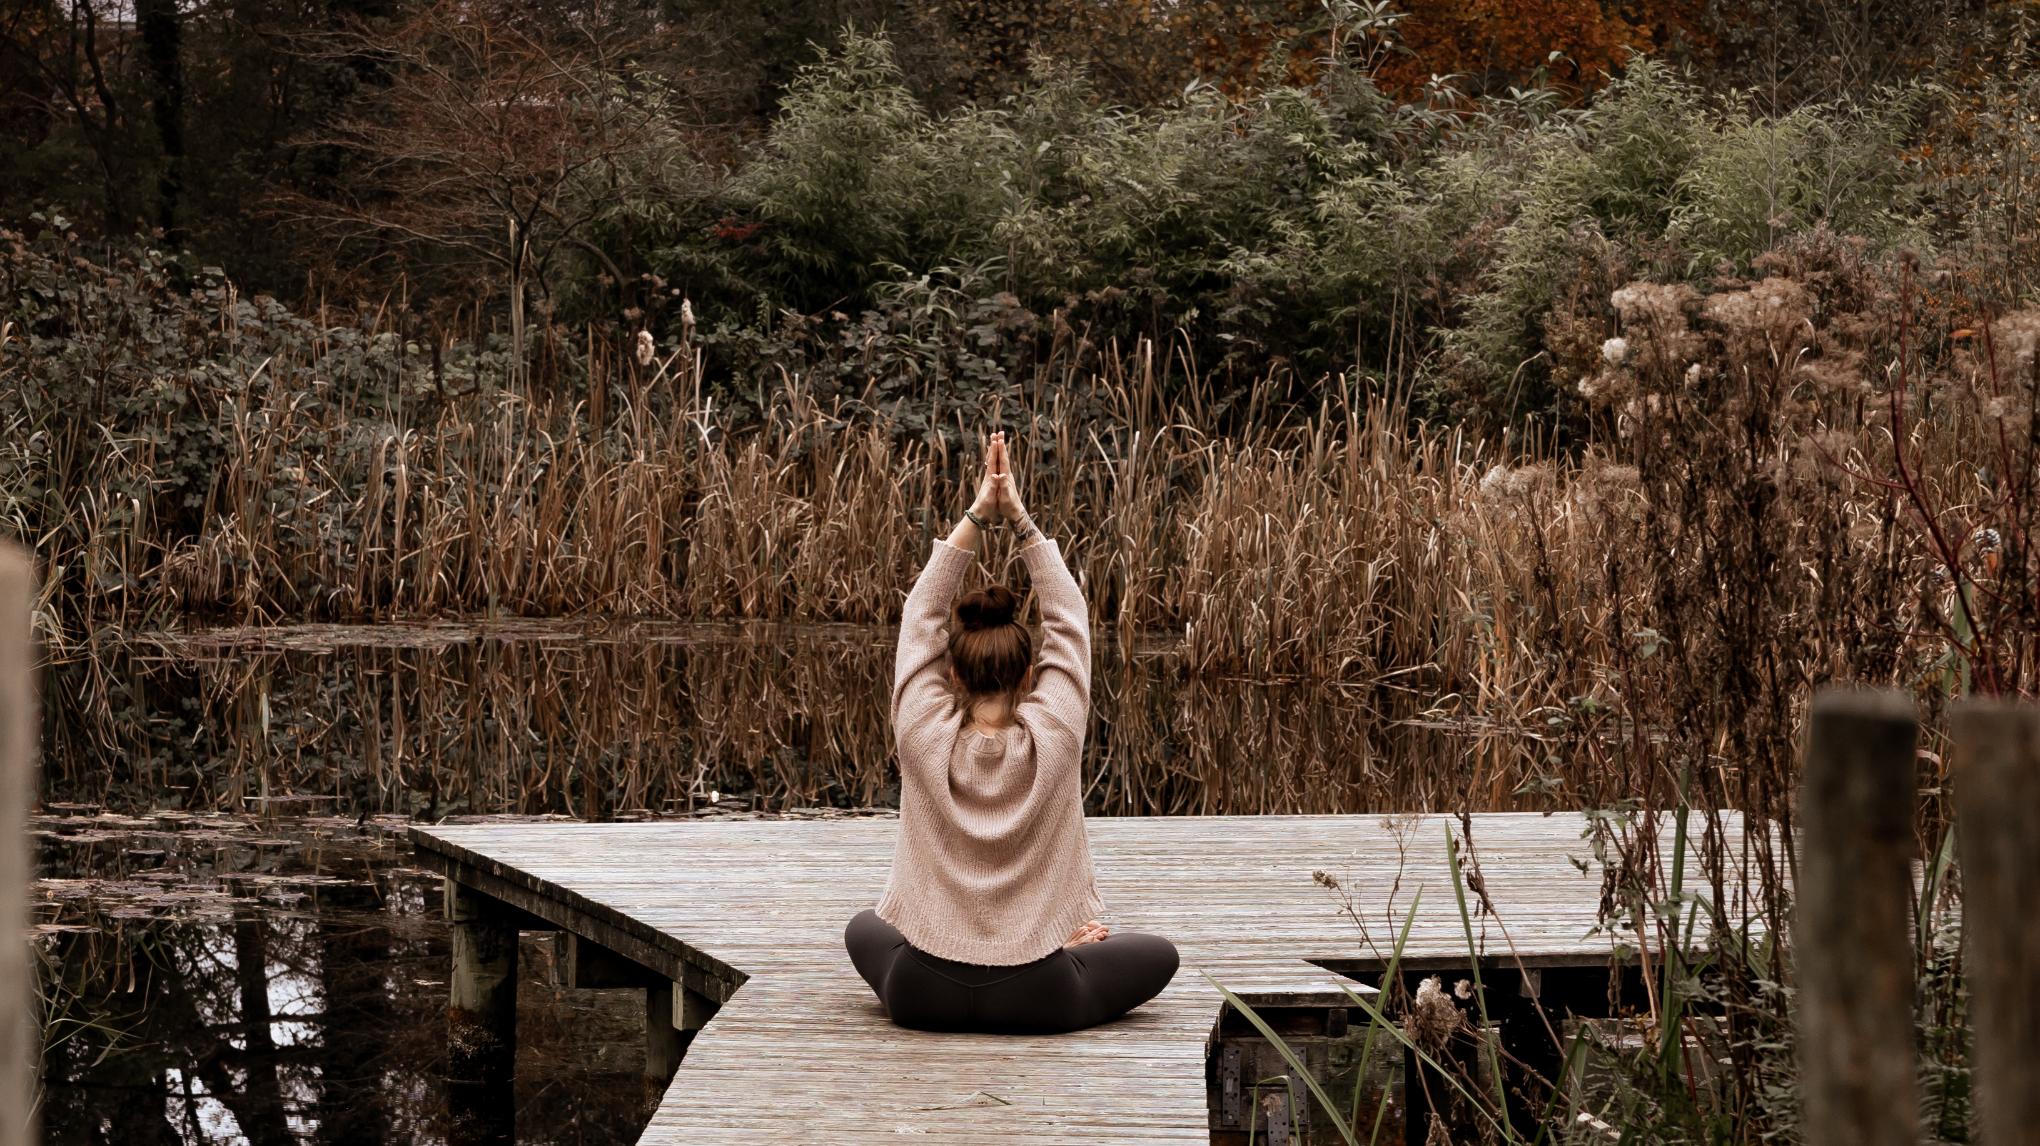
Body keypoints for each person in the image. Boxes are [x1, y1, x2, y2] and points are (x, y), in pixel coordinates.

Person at [844, 430, 1179, 1033]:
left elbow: (919, 617)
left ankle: (1046, 950)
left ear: (951, 670)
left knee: (863, 927)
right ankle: (1070, 947)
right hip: (1038, 996)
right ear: (1030, 672)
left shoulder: (922, 732)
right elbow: (1068, 617)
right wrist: (1019, 519)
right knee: (1161, 955)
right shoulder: (1056, 732)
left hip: (924, 994)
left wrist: (976, 515)